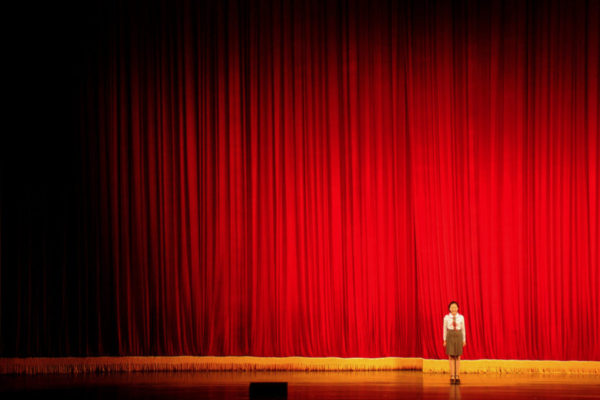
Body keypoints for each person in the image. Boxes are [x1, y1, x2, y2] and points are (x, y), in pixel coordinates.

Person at [443, 301, 465, 384]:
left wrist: (464, 340)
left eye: (455, 307)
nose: (453, 309)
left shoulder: (461, 317)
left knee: (458, 356)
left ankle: (457, 375)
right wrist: (444, 339)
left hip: (458, 335)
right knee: (451, 356)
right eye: (452, 307)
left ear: (458, 308)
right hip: (450, 335)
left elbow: (463, 329)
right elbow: (444, 329)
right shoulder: (446, 317)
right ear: (449, 308)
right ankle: (452, 375)